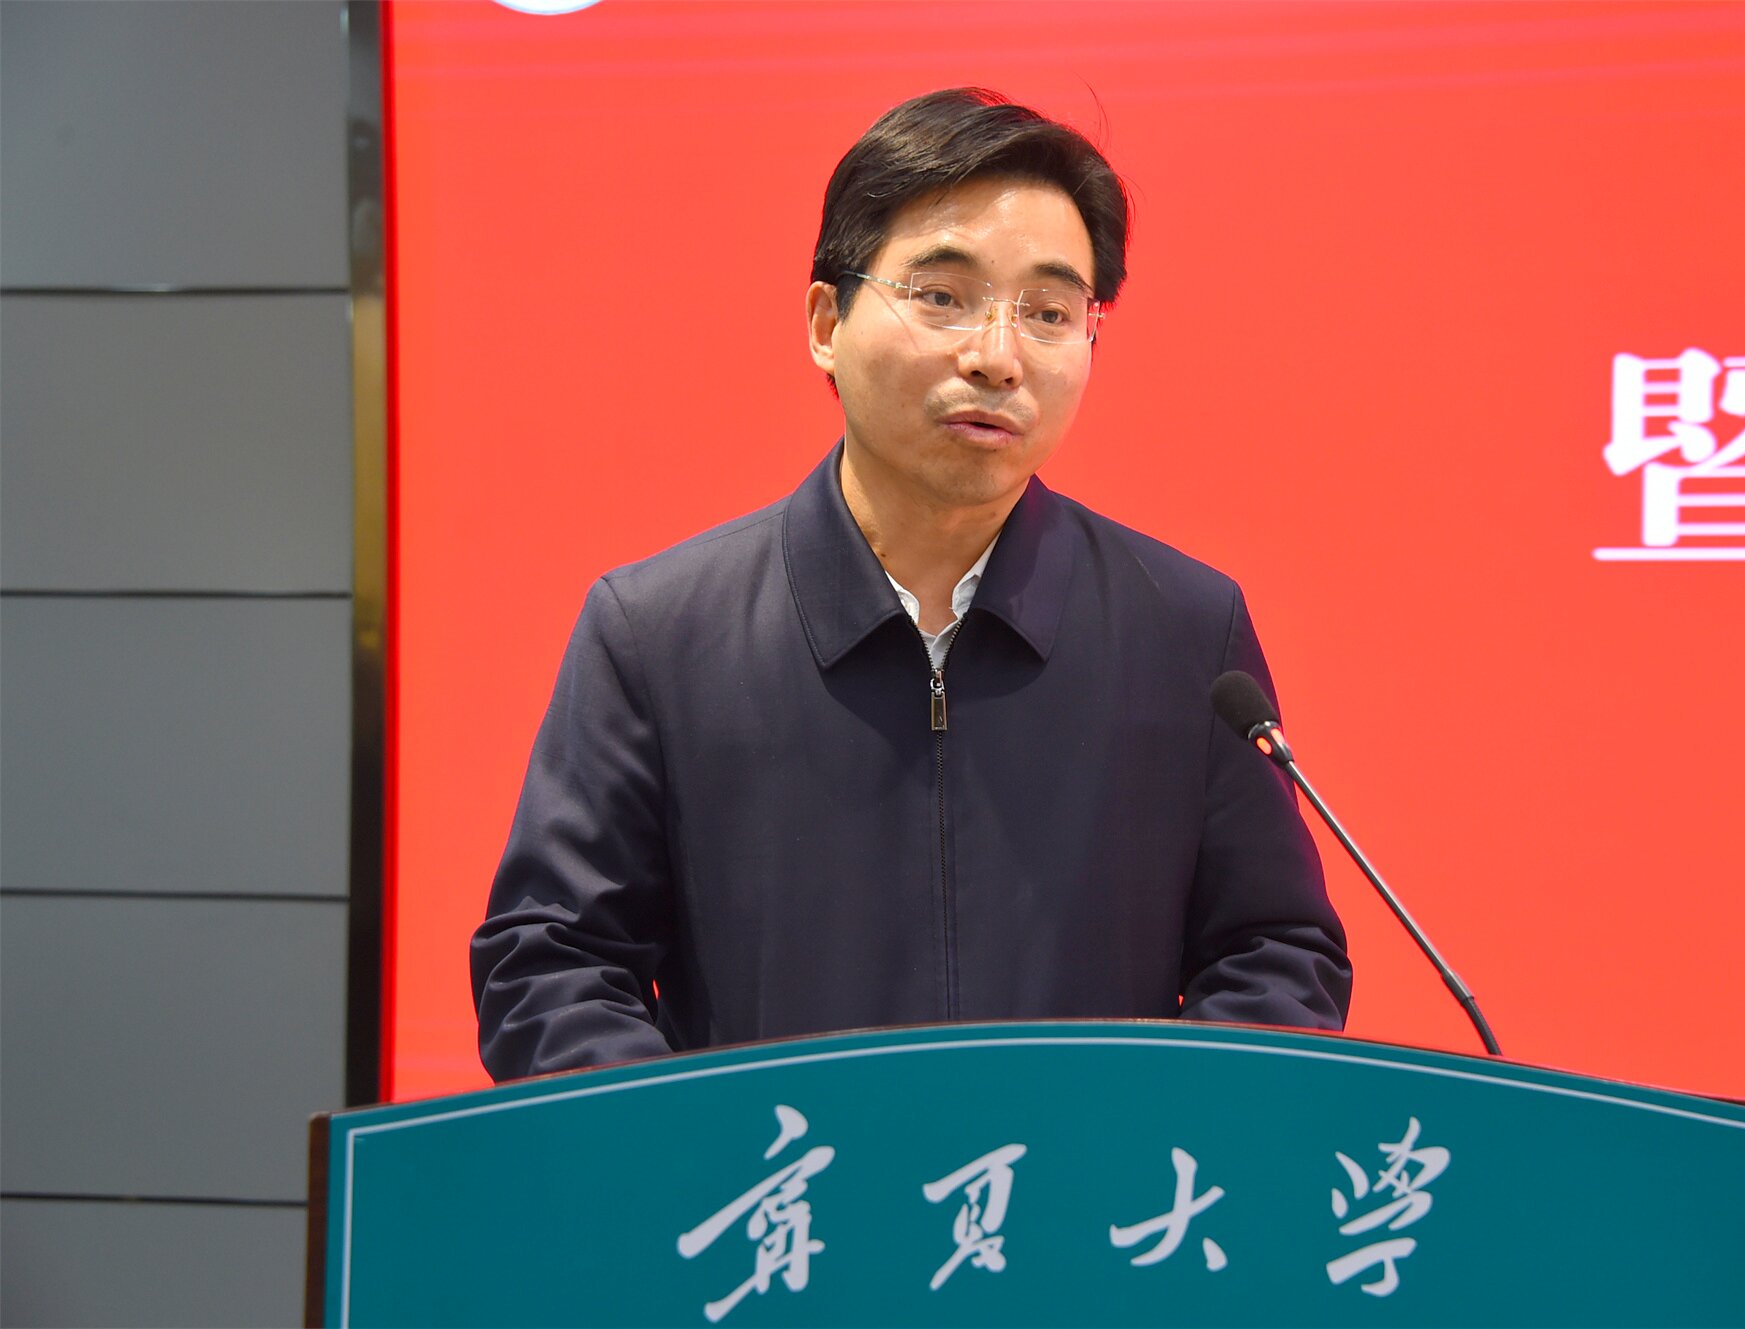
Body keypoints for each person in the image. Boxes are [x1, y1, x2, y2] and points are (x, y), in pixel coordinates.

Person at [472, 88, 1351, 1082]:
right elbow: (551, 967)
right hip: (780, 1177)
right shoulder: (656, 634)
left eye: (1048, 313)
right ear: (825, 321)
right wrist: (706, 1148)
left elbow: (1275, 953)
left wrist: (1139, 1134)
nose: (996, 357)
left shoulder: (1184, 633)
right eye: (942, 297)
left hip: (1081, 1178)